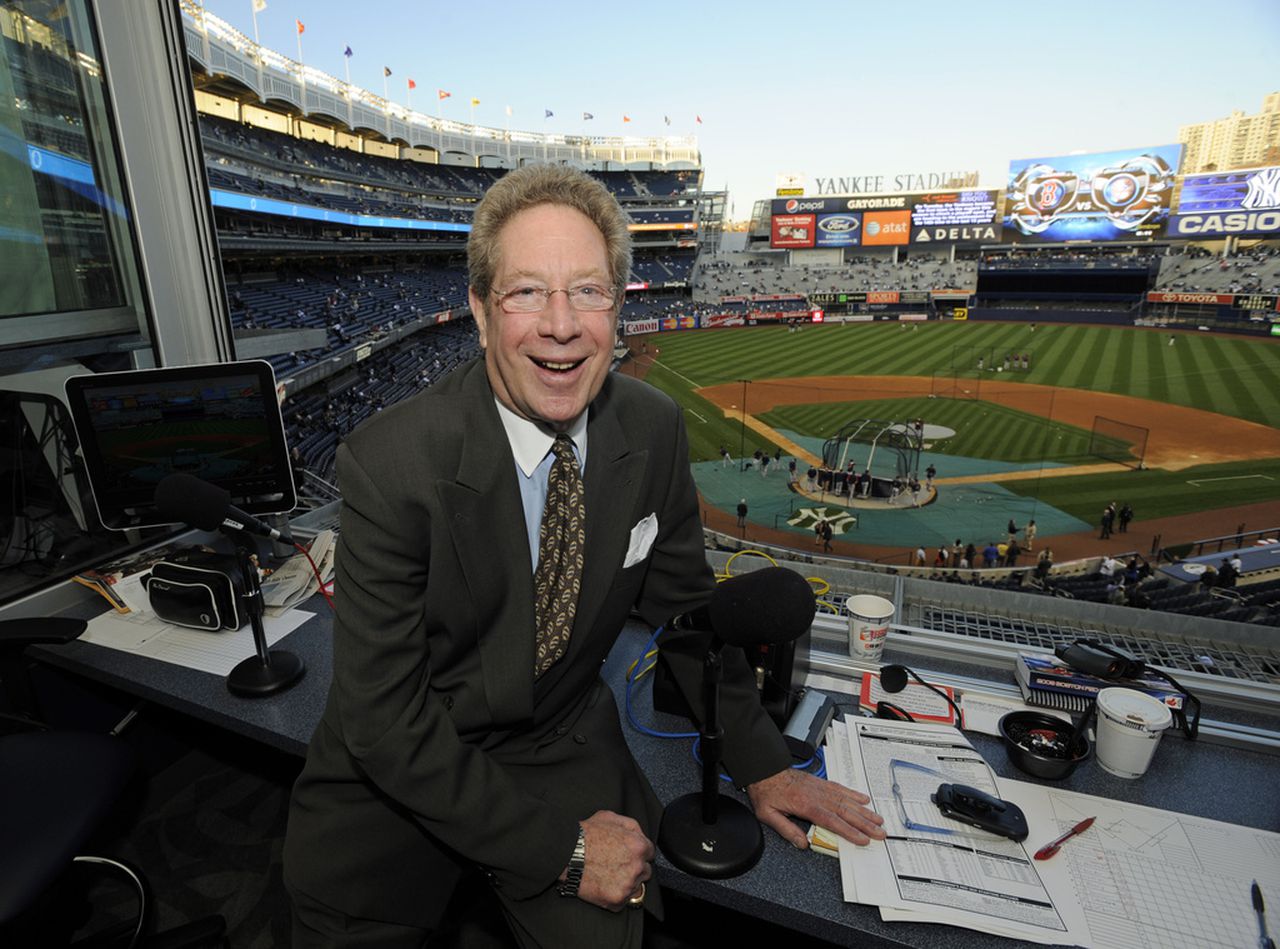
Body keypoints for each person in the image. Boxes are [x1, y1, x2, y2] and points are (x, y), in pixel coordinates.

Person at [283, 165, 884, 948]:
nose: (561, 325)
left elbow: (686, 611)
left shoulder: (653, 427)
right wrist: (559, 849)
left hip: (555, 744)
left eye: (589, 292)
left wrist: (761, 759)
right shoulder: (391, 464)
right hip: (396, 776)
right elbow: (387, 724)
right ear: (479, 310)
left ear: (618, 306)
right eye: (526, 291)